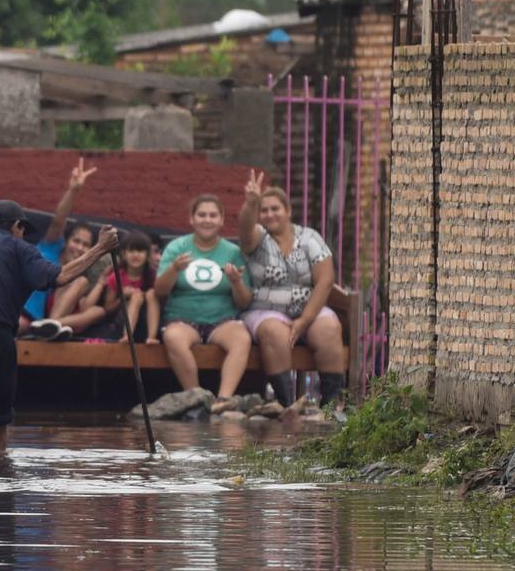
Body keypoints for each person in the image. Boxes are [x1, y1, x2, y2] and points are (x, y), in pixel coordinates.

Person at [0, 199, 117, 453]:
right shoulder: (19, 248)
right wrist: (101, 248)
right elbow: (61, 276)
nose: (23, 235)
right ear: (16, 225)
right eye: (23, 230)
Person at [237, 170, 347, 407]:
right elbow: (245, 230)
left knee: (329, 327)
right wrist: (251, 202)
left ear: (287, 211)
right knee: (274, 332)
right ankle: (286, 405)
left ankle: (330, 406)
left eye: (275, 208)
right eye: (264, 210)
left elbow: (325, 280)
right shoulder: (258, 237)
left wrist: (304, 320)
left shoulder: (309, 238)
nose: (270, 214)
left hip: (308, 308)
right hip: (265, 308)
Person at [153, 194, 253, 414]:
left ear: (221, 220)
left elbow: (244, 302)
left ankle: (223, 400)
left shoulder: (233, 252)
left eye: (213, 215)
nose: (207, 220)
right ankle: (196, 398)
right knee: (173, 337)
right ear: (192, 219)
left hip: (222, 321)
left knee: (242, 339)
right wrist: (173, 269)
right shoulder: (177, 247)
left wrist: (236, 282)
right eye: (202, 215)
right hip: (182, 319)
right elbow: (159, 291)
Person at [20, 159, 111, 341]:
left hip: (42, 318)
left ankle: (52, 326)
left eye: (85, 245)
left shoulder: (81, 273)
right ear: (65, 240)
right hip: (23, 309)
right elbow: (59, 221)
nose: (79, 248)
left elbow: (86, 307)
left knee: (87, 292)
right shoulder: (51, 249)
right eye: (76, 241)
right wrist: (74, 189)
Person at [89, 230, 160, 343]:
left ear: (147, 255)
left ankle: (152, 337)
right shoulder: (116, 276)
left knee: (150, 294)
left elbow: (159, 301)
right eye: (131, 250)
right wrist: (122, 296)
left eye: (140, 251)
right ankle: (127, 336)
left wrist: (143, 295)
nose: (136, 255)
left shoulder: (152, 276)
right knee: (136, 297)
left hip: (145, 322)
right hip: (120, 322)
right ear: (123, 254)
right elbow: (108, 309)